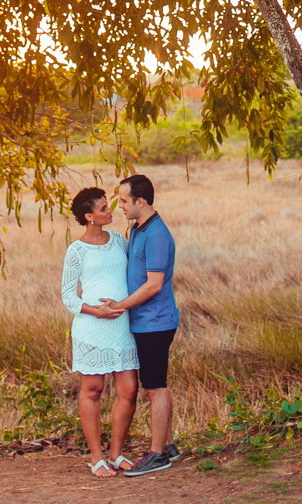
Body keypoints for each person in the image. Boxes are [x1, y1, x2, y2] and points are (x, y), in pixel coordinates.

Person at [101, 173, 181, 477]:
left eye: (123, 201)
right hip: (144, 322)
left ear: (140, 201)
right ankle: (168, 446)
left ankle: (158, 453)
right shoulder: (138, 229)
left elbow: (154, 285)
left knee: (155, 387)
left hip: (156, 324)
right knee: (155, 385)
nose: (119, 206)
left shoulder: (157, 235)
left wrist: (119, 306)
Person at [61, 187, 139, 478]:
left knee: (129, 390)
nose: (111, 211)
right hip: (92, 328)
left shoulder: (119, 241)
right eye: (104, 208)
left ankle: (117, 453)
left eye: (110, 206)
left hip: (122, 326)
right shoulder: (76, 250)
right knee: (92, 390)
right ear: (89, 217)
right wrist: (98, 311)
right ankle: (97, 458)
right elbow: (68, 296)